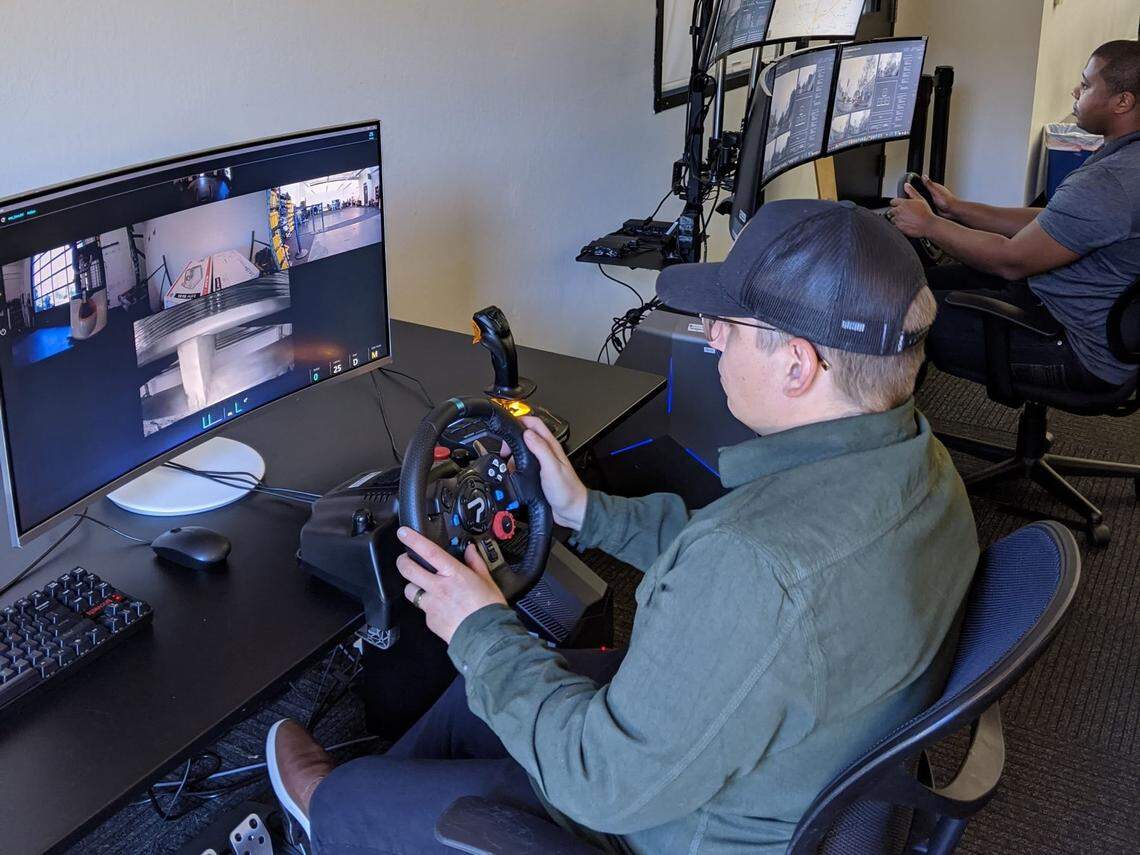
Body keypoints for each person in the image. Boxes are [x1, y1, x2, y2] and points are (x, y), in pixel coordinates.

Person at [266, 200, 980, 854]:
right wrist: (584, 509)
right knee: (463, 700)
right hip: (792, 758)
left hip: (666, 824)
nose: (711, 335)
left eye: (730, 324)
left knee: (368, 778)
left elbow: (601, 782)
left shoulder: (756, 569)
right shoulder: (918, 461)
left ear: (799, 365)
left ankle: (342, 810)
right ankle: (393, 810)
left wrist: (478, 624)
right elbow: (728, 550)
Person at [889, 39, 1140, 391]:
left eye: (1085, 85)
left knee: (889, 314)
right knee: (912, 285)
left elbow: (1010, 261)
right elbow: (1053, 221)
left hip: (1073, 346)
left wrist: (929, 224)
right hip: (1081, 311)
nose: (1075, 91)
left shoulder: (1109, 183)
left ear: (1123, 101)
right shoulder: (1126, 158)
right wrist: (956, 209)